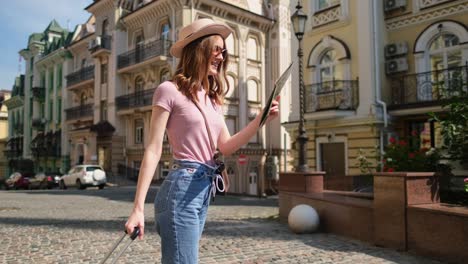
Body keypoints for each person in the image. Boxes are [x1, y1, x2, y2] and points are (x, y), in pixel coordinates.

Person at [125, 18, 280, 264]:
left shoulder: (212, 99)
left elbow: (226, 146)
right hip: (181, 188)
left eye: (223, 51)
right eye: (216, 49)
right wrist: (138, 208)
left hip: (204, 189)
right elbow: (153, 149)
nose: (221, 56)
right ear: (199, 49)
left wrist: (260, 120)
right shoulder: (168, 90)